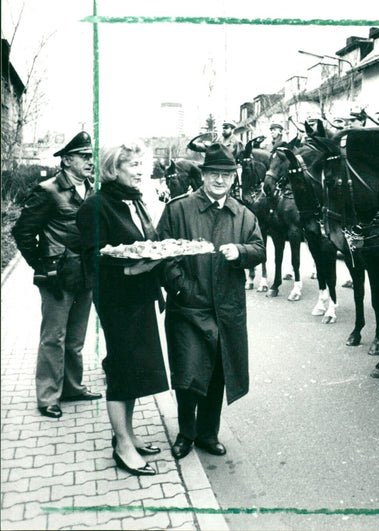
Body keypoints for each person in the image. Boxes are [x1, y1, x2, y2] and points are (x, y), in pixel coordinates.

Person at [157, 143, 266, 460]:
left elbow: (259, 249)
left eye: (226, 175)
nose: (220, 180)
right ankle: (185, 434)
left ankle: (208, 433)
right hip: (189, 308)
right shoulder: (179, 209)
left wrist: (241, 252)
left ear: (233, 178)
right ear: (203, 175)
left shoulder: (243, 214)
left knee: (218, 373)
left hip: (226, 310)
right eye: (214, 174)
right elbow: (162, 252)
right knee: (188, 375)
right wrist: (181, 287)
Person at [76, 141, 169, 476]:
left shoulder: (134, 200)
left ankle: (127, 434)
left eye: (142, 164)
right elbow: (92, 259)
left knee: (135, 370)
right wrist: (131, 270)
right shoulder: (96, 205)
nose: (140, 171)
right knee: (121, 369)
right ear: (113, 169)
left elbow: (146, 242)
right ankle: (122, 445)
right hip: (117, 301)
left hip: (140, 296)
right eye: (132, 165)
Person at [12, 131, 102, 419]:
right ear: (66, 160)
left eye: (91, 156)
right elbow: (23, 232)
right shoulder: (48, 190)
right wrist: (41, 264)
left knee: (75, 338)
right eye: (84, 156)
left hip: (86, 275)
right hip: (57, 277)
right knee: (54, 337)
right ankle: (48, 396)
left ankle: (72, 387)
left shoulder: (91, 189)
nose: (90, 161)